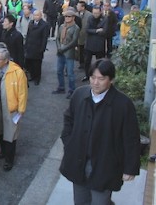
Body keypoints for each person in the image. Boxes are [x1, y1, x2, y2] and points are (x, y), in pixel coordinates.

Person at [59, 59, 141, 205]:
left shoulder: (123, 104)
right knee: (80, 200)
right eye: (92, 77)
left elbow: (131, 138)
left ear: (111, 80)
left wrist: (130, 167)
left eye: (101, 79)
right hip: (79, 160)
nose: (95, 82)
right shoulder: (79, 94)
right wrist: (69, 142)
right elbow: (68, 119)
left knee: (100, 201)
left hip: (105, 164)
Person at [0, 48, 28, 171]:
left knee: (11, 134)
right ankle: (3, 152)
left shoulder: (17, 72)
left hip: (12, 109)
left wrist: (21, 110)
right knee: (0, 131)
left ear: (6, 60)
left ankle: (9, 159)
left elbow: (22, 93)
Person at [52, 9, 80, 99]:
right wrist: (59, 47)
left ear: (73, 17)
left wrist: (63, 48)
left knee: (70, 73)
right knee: (59, 71)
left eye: (69, 16)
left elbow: (74, 41)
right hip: (60, 50)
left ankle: (72, 90)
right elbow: (57, 38)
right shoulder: (61, 26)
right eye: (66, 16)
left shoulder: (76, 28)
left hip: (69, 52)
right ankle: (61, 87)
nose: (67, 18)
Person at [24, 10, 49, 86]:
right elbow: (28, 35)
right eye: (34, 15)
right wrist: (26, 45)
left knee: (37, 65)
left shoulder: (44, 25)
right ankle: (32, 76)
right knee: (30, 63)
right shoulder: (31, 23)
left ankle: (37, 78)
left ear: (40, 16)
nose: (36, 17)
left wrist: (42, 49)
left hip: (38, 48)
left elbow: (45, 38)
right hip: (30, 46)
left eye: (37, 15)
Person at [82, 6, 107, 82]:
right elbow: (87, 29)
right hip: (89, 44)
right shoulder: (90, 18)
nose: (95, 15)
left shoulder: (105, 19)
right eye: (94, 13)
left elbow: (104, 31)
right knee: (87, 62)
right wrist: (96, 30)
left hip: (99, 44)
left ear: (100, 12)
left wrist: (93, 31)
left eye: (97, 13)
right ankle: (87, 75)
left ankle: (100, 75)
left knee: (100, 62)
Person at [76, 1, 92, 70]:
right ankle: (81, 63)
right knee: (80, 50)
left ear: (83, 7)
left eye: (79, 6)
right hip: (79, 36)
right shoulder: (76, 14)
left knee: (86, 51)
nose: (77, 7)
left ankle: (87, 64)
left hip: (86, 36)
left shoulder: (89, 15)